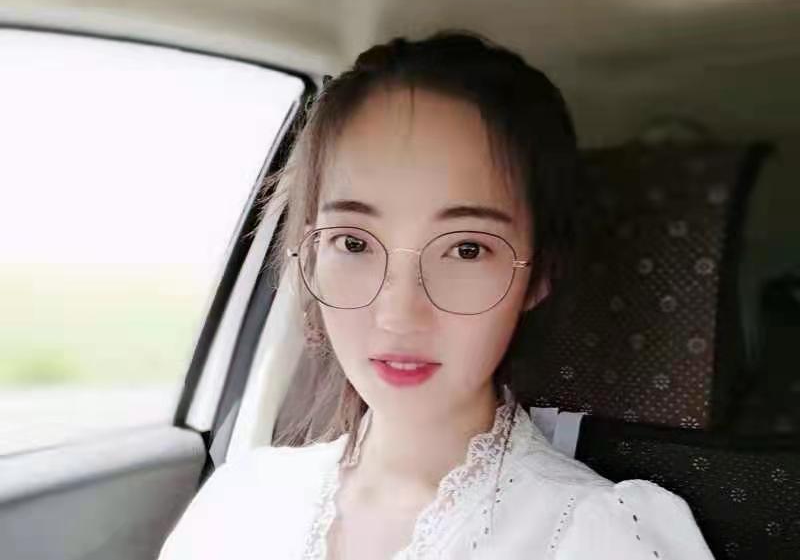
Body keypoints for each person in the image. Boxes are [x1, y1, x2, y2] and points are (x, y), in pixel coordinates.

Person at [158, 33, 714, 559]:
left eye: (467, 249)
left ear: (538, 274)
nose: (398, 315)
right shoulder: (241, 500)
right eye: (354, 242)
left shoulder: (596, 539)